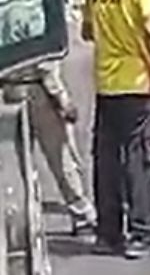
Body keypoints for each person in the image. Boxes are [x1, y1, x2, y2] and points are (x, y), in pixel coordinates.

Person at [81, 0, 150, 259]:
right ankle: (142, 233)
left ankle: (108, 233)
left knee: (106, 160)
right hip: (138, 83)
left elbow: (88, 31)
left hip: (106, 83)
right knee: (139, 158)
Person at [3, 59, 96, 234]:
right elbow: (45, 63)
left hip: (7, 91)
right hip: (37, 91)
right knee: (60, 157)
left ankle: (22, 215)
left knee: (17, 162)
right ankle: (80, 213)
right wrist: (63, 100)